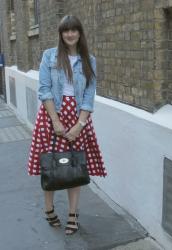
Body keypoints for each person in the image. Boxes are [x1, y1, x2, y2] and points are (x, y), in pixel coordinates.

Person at [27, 15, 107, 235]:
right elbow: (44, 89)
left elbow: (89, 95)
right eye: (65, 31)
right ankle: (49, 208)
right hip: (52, 114)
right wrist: (56, 121)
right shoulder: (49, 56)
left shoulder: (89, 60)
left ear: (80, 33)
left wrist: (79, 125)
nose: (70, 34)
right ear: (61, 34)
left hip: (79, 117)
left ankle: (73, 214)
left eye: (74, 30)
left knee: (75, 166)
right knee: (50, 164)